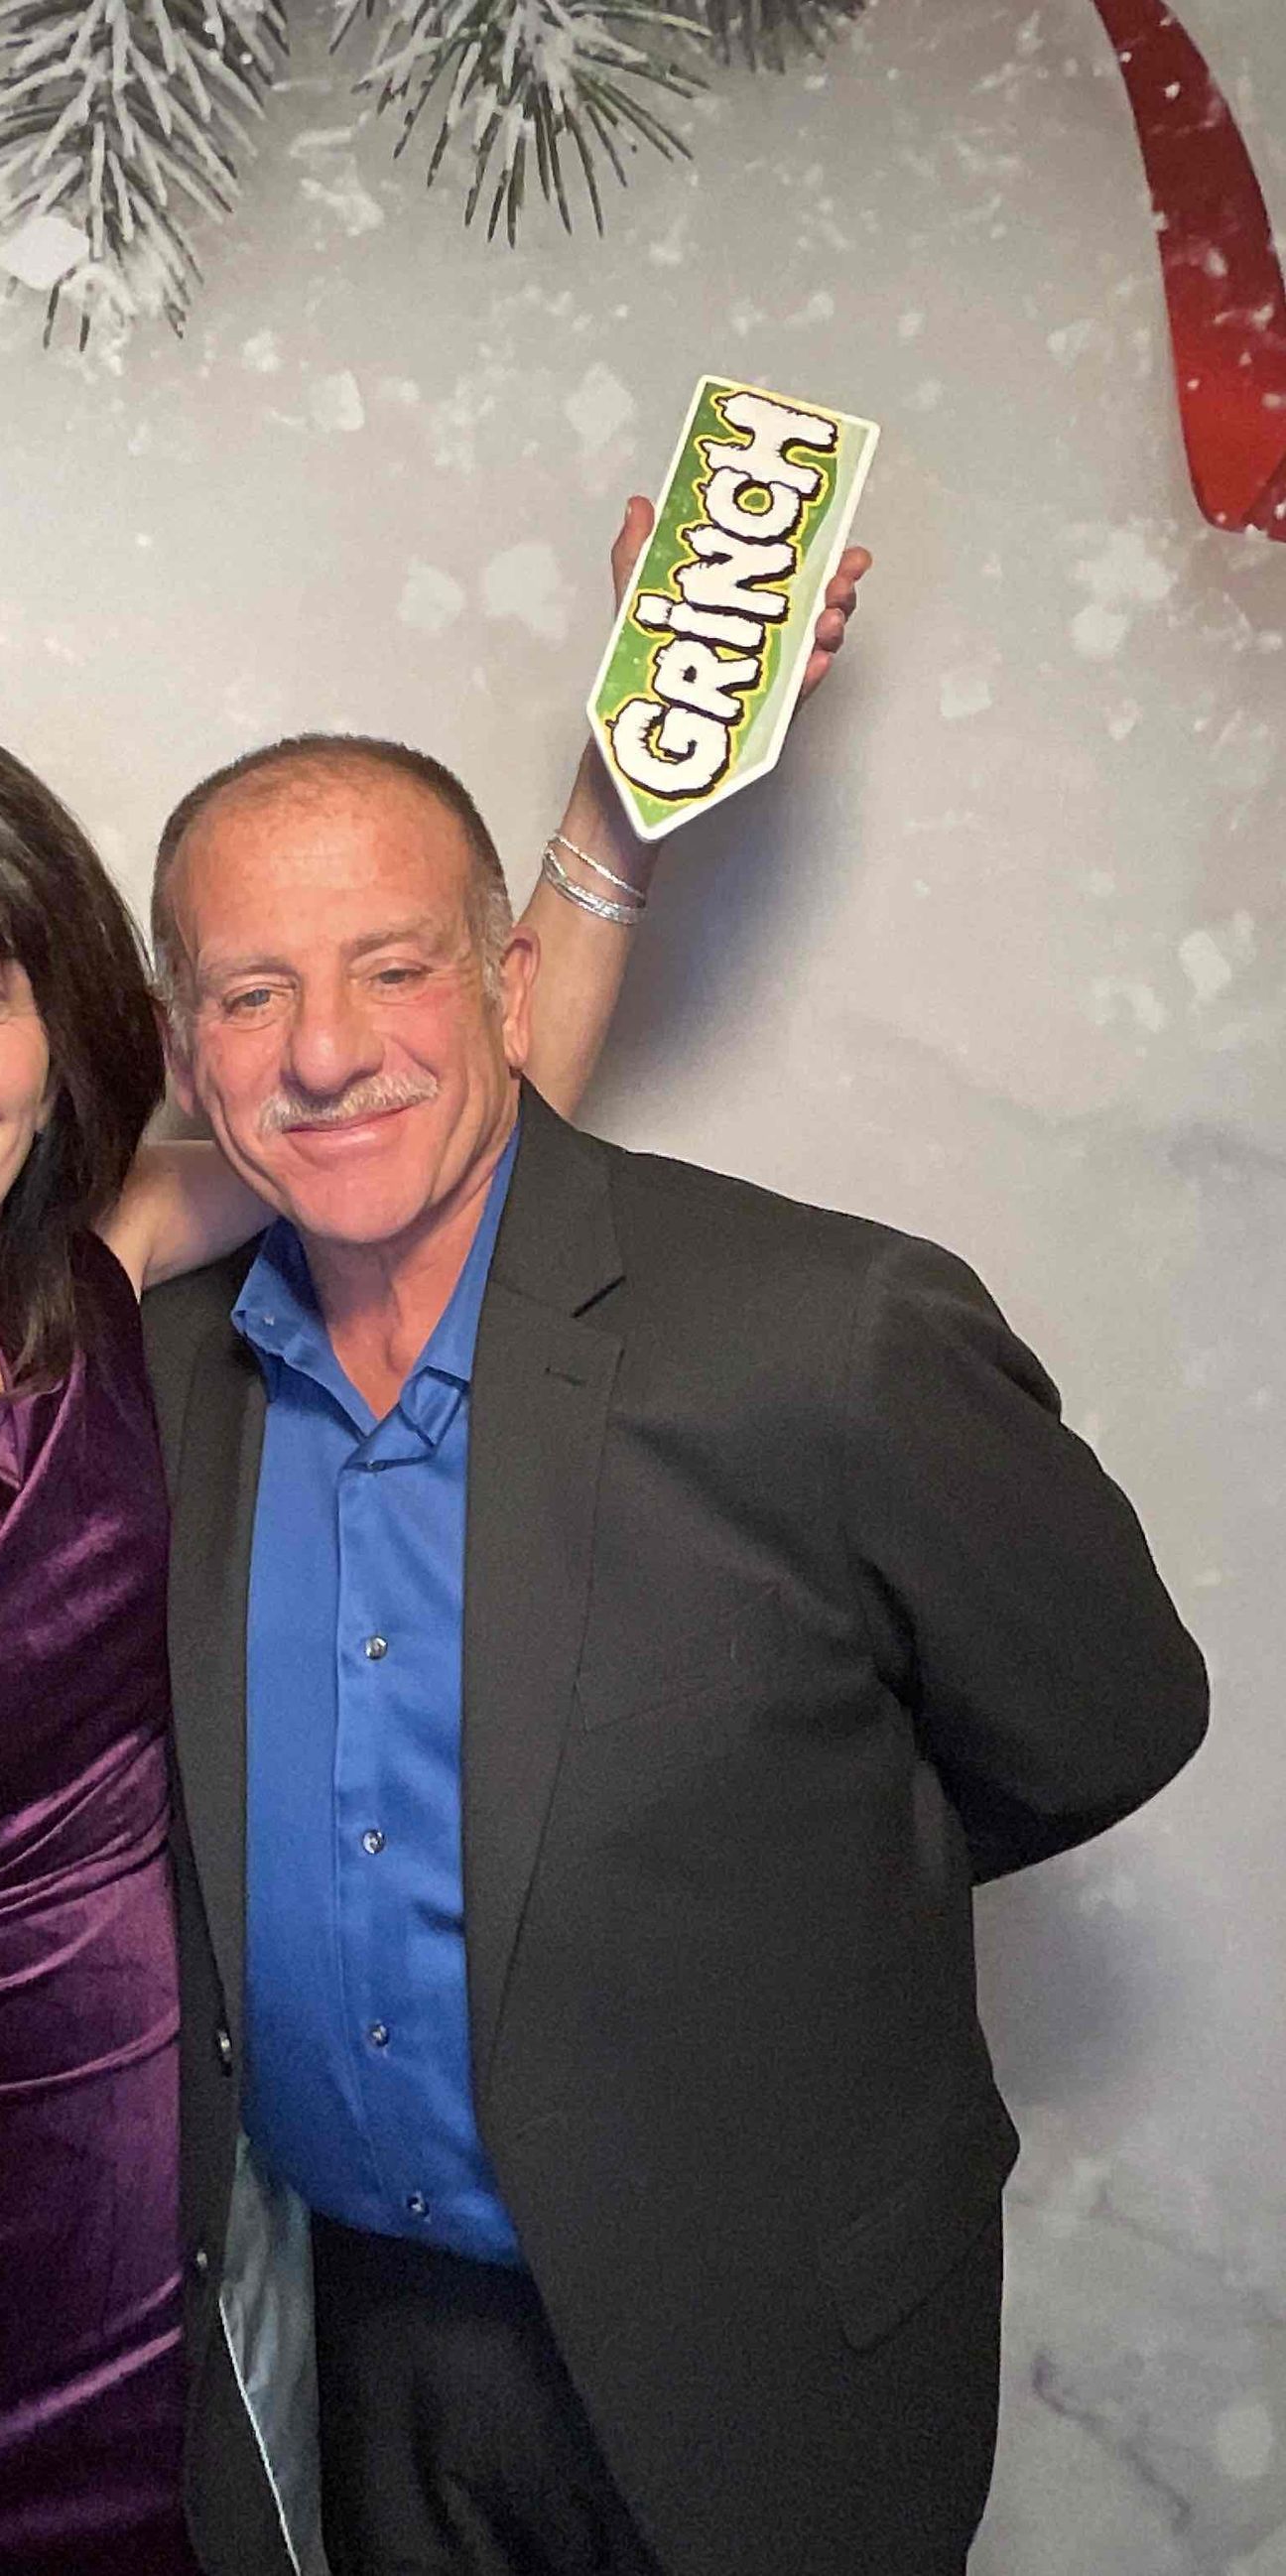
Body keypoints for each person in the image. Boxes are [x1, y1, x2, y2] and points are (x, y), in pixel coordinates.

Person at [0, 525, 862, 2576]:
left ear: (66, 1031)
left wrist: (628, 771)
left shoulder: (100, 1264)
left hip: (148, 2338)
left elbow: (434, 1099)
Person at [140, 731, 1211, 2576]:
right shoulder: (157, 1382)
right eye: (254, 992)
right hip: (361, 2355)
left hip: (766, 2353)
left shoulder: (829, 1335)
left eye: (395, 965)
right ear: (184, 1048)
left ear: (508, 978)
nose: (325, 1049)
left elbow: (1102, 1722)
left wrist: (765, 1886)